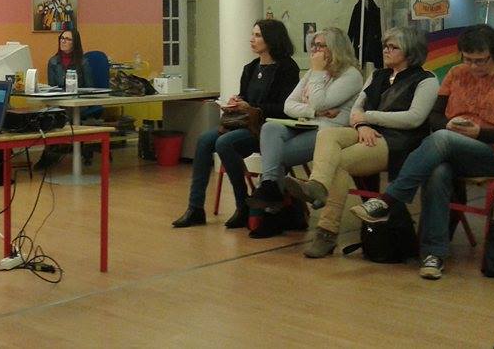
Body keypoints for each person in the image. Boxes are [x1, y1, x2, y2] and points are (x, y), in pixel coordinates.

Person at [351, 24, 494, 280]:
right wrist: (449, 124)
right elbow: (435, 117)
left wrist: (479, 133)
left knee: (442, 139)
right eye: (467, 59)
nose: (473, 66)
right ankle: (433, 254)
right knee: (438, 171)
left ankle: (388, 200)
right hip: (453, 148)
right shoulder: (456, 73)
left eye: (480, 60)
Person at [283, 27, 438, 257]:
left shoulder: (426, 80)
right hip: (367, 131)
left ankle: (326, 231)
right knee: (327, 134)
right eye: (385, 46)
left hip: (400, 141)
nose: (386, 50)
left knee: (339, 162)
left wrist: (369, 118)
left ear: (410, 51)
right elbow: (357, 109)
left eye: (393, 47)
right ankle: (317, 186)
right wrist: (361, 125)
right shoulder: (378, 75)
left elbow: (414, 118)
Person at [171, 19, 300, 228]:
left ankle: (242, 203)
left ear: (272, 39)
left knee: (225, 143)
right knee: (204, 140)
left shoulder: (287, 68)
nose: (252, 39)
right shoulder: (251, 68)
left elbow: (286, 107)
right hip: (245, 124)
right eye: (253, 34)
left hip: (268, 129)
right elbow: (245, 96)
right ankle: (195, 208)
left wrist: (252, 107)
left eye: (258, 35)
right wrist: (237, 102)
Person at [247, 27, 363, 237]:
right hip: (306, 123)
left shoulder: (350, 74)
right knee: (270, 128)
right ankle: (273, 191)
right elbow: (289, 105)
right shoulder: (312, 72)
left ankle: (273, 211)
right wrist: (313, 110)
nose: (315, 50)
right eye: (314, 45)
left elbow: (319, 100)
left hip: (329, 132)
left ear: (335, 48)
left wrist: (317, 74)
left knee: (275, 157)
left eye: (320, 46)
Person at [36, 29, 94, 169]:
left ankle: (50, 153)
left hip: (78, 102)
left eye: (68, 39)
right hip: (59, 102)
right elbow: (52, 87)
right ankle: (51, 152)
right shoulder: (53, 61)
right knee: (46, 116)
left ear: (75, 43)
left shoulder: (83, 62)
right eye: (62, 38)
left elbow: (90, 87)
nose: (63, 41)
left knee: (57, 116)